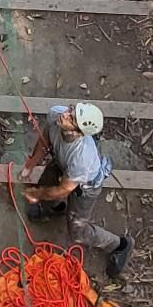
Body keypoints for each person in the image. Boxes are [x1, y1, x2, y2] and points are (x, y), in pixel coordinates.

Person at [19, 101, 134, 280]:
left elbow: (64, 190)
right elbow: (45, 140)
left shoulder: (82, 158)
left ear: (78, 132)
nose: (65, 114)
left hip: (85, 186)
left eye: (71, 118)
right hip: (62, 163)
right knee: (47, 183)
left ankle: (119, 245)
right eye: (71, 110)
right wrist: (31, 164)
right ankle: (53, 209)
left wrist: (37, 194)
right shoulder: (56, 113)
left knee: (78, 231)